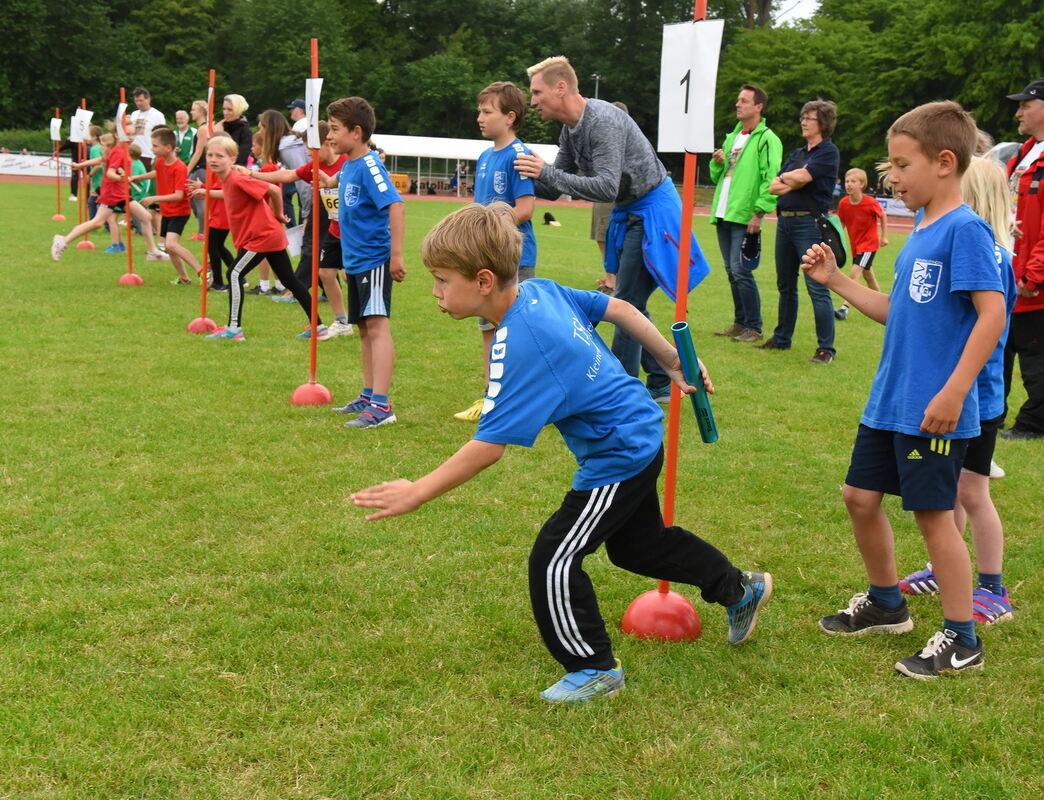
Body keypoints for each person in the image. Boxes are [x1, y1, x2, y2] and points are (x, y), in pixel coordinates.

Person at [350, 203, 772, 704]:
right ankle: (739, 589)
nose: (436, 292)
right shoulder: (538, 290)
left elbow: (488, 447)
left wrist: (418, 491)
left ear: (483, 280)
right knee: (639, 546)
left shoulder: (522, 343)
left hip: (619, 453)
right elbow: (618, 307)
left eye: (442, 280)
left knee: (553, 559)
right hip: (637, 434)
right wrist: (669, 358)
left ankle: (593, 668)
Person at [802, 101, 1006, 679]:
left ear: (945, 162)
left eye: (900, 164)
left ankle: (962, 637)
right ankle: (887, 603)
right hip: (889, 401)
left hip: (932, 409)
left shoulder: (965, 231)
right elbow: (900, 311)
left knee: (933, 514)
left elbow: (991, 318)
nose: (891, 178)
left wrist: (953, 392)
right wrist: (837, 280)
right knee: (859, 498)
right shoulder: (920, 229)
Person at [515, 56, 710, 404]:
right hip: (630, 212)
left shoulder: (602, 121)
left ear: (561, 88)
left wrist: (543, 173)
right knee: (631, 302)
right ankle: (662, 378)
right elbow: (555, 185)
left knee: (626, 303)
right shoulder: (570, 129)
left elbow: (604, 187)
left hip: (653, 212)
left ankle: (621, 395)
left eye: (536, 92)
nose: (532, 101)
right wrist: (517, 170)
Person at [898, 156, 1017, 625]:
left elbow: (988, 326)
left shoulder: (990, 254)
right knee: (950, 489)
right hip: (959, 391)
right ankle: (941, 569)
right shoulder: (962, 244)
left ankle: (993, 588)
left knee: (973, 491)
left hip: (979, 398)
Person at [453, 81, 537, 423]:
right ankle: (492, 398)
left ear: (510, 117)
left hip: (513, 256)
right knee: (488, 327)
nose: (480, 117)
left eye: (487, 112)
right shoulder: (485, 156)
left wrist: (492, 228)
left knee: (516, 330)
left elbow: (526, 208)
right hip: (484, 257)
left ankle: (523, 399)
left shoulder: (519, 156)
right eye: (480, 111)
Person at [322, 96, 406, 428]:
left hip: (374, 260)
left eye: (334, 130)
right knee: (363, 330)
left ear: (356, 133)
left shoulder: (371, 165)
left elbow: (396, 206)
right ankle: (369, 395)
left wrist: (396, 256)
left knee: (377, 326)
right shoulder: (348, 166)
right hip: (355, 261)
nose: (329, 136)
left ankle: (382, 406)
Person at [202, 136, 323, 340]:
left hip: (262, 237)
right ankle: (318, 327)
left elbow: (274, 190)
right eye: (210, 155)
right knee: (291, 281)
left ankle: (234, 329)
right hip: (266, 236)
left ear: (232, 159)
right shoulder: (228, 179)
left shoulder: (237, 177)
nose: (213, 159)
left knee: (234, 274)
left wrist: (277, 214)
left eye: (219, 156)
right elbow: (232, 196)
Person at [252, 120, 354, 337]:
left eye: (310, 147)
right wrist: (253, 175)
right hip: (333, 227)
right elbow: (288, 175)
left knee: (349, 274)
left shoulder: (347, 163)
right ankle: (343, 321)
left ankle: (364, 315)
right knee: (326, 272)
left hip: (354, 228)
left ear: (327, 143)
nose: (307, 153)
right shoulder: (315, 165)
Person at [761, 99, 840, 363]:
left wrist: (795, 179)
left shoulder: (828, 152)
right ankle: (782, 339)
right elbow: (774, 186)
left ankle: (825, 349)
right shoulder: (798, 154)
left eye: (810, 118)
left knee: (817, 286)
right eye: (803, 118)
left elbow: (802, 179)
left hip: (809, 223)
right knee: (785, 285)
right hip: (785, 222)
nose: (803, 122)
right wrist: (793, 178)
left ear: (823, 124)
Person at [709, 84, 783, 343]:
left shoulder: (767, 139)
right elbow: (717, 176)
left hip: (744, 214)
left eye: (743, 101)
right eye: (738, 100)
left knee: (741, 271)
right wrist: (717, 162)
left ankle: (754, 326)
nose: (737, 104)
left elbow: (770, 178)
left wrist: (759, 212)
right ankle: (740, 322)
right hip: (724, 212)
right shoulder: (732, 137)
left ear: (758, 106)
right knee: (731, 270)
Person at [51, 124, 167, 262]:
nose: (131, 137)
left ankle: (153, 251)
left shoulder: (119, 149)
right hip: (112, 194)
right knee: (97, 222)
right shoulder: (119, 152)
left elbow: (101, 160)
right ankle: (63, 240)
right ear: (118, 135)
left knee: (146, 217)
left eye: (132, 134)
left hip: (121, 193)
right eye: (128, 134)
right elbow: (111, 173)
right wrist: (122, 179)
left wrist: (80, 165)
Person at [1001, 78, 1044, 440]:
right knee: (997, 354)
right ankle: (991, 418)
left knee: (1035, 360)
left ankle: (1033, 424)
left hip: (1032, 285)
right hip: (1009, 275)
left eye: (1025, 105)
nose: (1018, 112)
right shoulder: (1022, 153)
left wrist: (1034, 276)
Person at [133, 127, 203, 286]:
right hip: (167, 211)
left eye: (155, 146)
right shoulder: (159, 161)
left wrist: (154, 198)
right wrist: (139, 178)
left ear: (169, 148)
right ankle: (184, 278)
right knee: (169, 247)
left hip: (179, 211)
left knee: (171, 244)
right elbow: (158, 173)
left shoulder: (180, 168)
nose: (152, 149)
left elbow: (179, 195)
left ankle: (202, 271)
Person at [834, 167, 888, 320]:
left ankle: (844, 309)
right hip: (855, 245)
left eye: (853, 181)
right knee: (868, 275)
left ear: (862, 184)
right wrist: (836, 239)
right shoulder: (844, 203)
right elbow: (841, 223)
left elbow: (883, 216)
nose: (849, 184)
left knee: (854, 274)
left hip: (869, 244)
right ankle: (885, 305)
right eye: (847, 181)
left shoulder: (870, 202)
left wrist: (884, 237)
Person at [185, 100, 213, 241]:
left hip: (200, 168)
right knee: (196, 200)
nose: (191, 112)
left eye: (193, 109)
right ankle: (202, 231)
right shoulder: (204, 128)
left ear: (201, 112)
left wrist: (187, 169)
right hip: (200, 167)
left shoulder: (203, 129)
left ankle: (202, 232)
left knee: (199, 200)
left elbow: (198, 152)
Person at [129, 87, 166, 170]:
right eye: (136, 101)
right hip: (134, 154)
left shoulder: (157, 115)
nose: (138, 103)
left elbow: (162, 136)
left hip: (148, 154)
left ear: (148, 99)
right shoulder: (134, 114)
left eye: (141, 100)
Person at [216, 94, 252, 166]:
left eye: (230, 110)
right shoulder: (220, 125)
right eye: (224, 109)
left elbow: (239, 158)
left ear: (238, 110)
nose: (225, 113)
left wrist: (220, 135)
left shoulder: (245, 131)